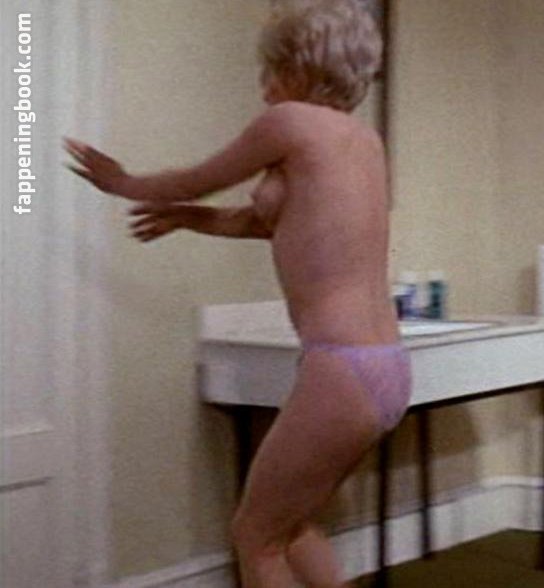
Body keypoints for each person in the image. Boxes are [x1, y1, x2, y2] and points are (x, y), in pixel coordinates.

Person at [64, 1, 410, 586]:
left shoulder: (289, 123)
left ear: (300, 66)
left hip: (340, 368)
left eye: (271, 68)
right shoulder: (363, 141)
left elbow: (197, 178)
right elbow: (271, 224)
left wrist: (122, 182)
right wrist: (190, 219)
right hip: (385, 365)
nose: (263, 85)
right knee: (293, 526)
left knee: (256, 535)